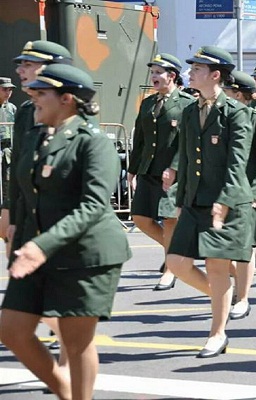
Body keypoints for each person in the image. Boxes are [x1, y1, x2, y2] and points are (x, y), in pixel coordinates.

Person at [0, 63, 131, 400]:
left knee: (76, 343)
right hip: (36, 250)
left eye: (42, 93)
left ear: (68, 99)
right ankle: (65, 391)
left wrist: (40, 246)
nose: (33, 97)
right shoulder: (35, 136)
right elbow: (25, 193)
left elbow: (92, 206)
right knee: (12, 330)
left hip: (86, 255)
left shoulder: (93, 143)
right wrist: (18, 233)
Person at [166, 46, 254, 358]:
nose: (190, 72)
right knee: (176, 263)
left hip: (225, 202)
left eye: (198, 69)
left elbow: (237, 162)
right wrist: (180, 200)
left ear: (216, 75)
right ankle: (222, 297)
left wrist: (225, 201)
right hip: (194, 200)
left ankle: (217, 333)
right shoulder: (190, 110)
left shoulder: (237, 112)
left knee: (217, 267)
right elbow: (188, 160)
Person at [5, 39, 74, 375]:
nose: (20, 70)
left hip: (59, 219)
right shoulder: (22, 112)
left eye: (28, 65)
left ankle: (68, 356)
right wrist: (10, 214)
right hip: (28, 216)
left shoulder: (71, 107)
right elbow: (18, 167)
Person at [128, 53, 195, 291]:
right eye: (153, 72)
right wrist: (132, 170)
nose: (154, 76)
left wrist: (174, 167)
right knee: (140, 218)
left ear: (172, 76)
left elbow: (187, 141)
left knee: (169, 220)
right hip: (149, 169)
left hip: (172, 173)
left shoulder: (187, 104)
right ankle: (176, 252)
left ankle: (170, 268)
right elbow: (140, 139)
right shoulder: (148, 102)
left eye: (158, 72)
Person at [222, 70, 256, 319]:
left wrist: (255, 193)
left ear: (240, 95)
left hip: (248, 191)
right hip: (223, 191)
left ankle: (242, 297)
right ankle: (234, 288)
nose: (224, 96)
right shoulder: (221, 118)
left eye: (229, 92)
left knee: (245, 247)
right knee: (221, 247)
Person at [0, 77, 17, 239]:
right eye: (5, 89)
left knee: (8, 179)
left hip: (8, 148)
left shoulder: (11, 108)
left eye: (10, 89)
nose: (8, 92)